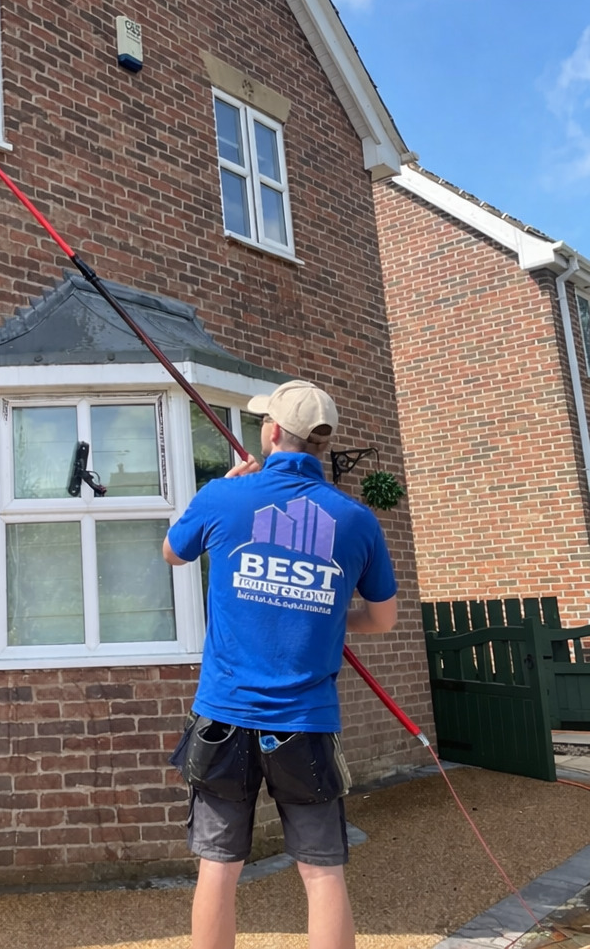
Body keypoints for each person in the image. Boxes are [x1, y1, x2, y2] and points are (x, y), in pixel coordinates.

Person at [162, 379, 398, 949]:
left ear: (271, 432)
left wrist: (221, 487)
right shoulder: (357, 520)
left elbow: (173, 550)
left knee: (218, 866)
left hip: (225, 717)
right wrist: (321, 616)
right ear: (322, 442)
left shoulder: (223, 499)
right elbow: (383, 619)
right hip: (306, 722)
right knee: (322, 872)